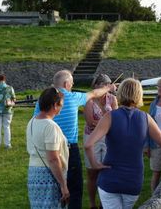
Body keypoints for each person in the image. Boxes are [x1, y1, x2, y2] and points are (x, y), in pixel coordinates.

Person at [85, 78, 161, 209]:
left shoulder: (109, 117)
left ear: (120, 93)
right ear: (139, 95)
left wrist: (95, 164)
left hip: (110, 179)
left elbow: (88, 144)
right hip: (133, 181)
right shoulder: (146, 118)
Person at [33, 69, 116, 209]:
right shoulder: (72, 97)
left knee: (54, 187)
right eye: (71, 83)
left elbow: (37, 122)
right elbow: (95, 93)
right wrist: (109, 88)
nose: (71, 86)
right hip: (69, 149)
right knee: (74, 189)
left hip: (47, 149)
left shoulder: (42, 100)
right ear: (66, 84)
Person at [27, 87, 70, 208]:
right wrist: (63, 185)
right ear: (55, 105)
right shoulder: (51, 126)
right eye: (61, 104)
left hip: (33, 173)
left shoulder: (32, 121)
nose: (62, 107)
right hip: (49, 175)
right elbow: (53, 158)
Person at [84, 74, 118, 209]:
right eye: (103, 85)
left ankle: (104, 203)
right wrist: (107, 122)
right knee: (92, 172)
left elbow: (116, 119)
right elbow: (90, 122)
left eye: (107, 84)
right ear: (96, 86)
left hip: (108, 139)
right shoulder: (89, 100)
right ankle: (92, 204)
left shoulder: (112, 99)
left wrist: (105, 122)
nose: (105, 87)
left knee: (107, 171)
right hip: (92, 139)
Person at [0, 74, 16, 151]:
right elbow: (14, 99)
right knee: (7, 127)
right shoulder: (10, 88)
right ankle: (8, 145)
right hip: (7, 110)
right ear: (4, 80)